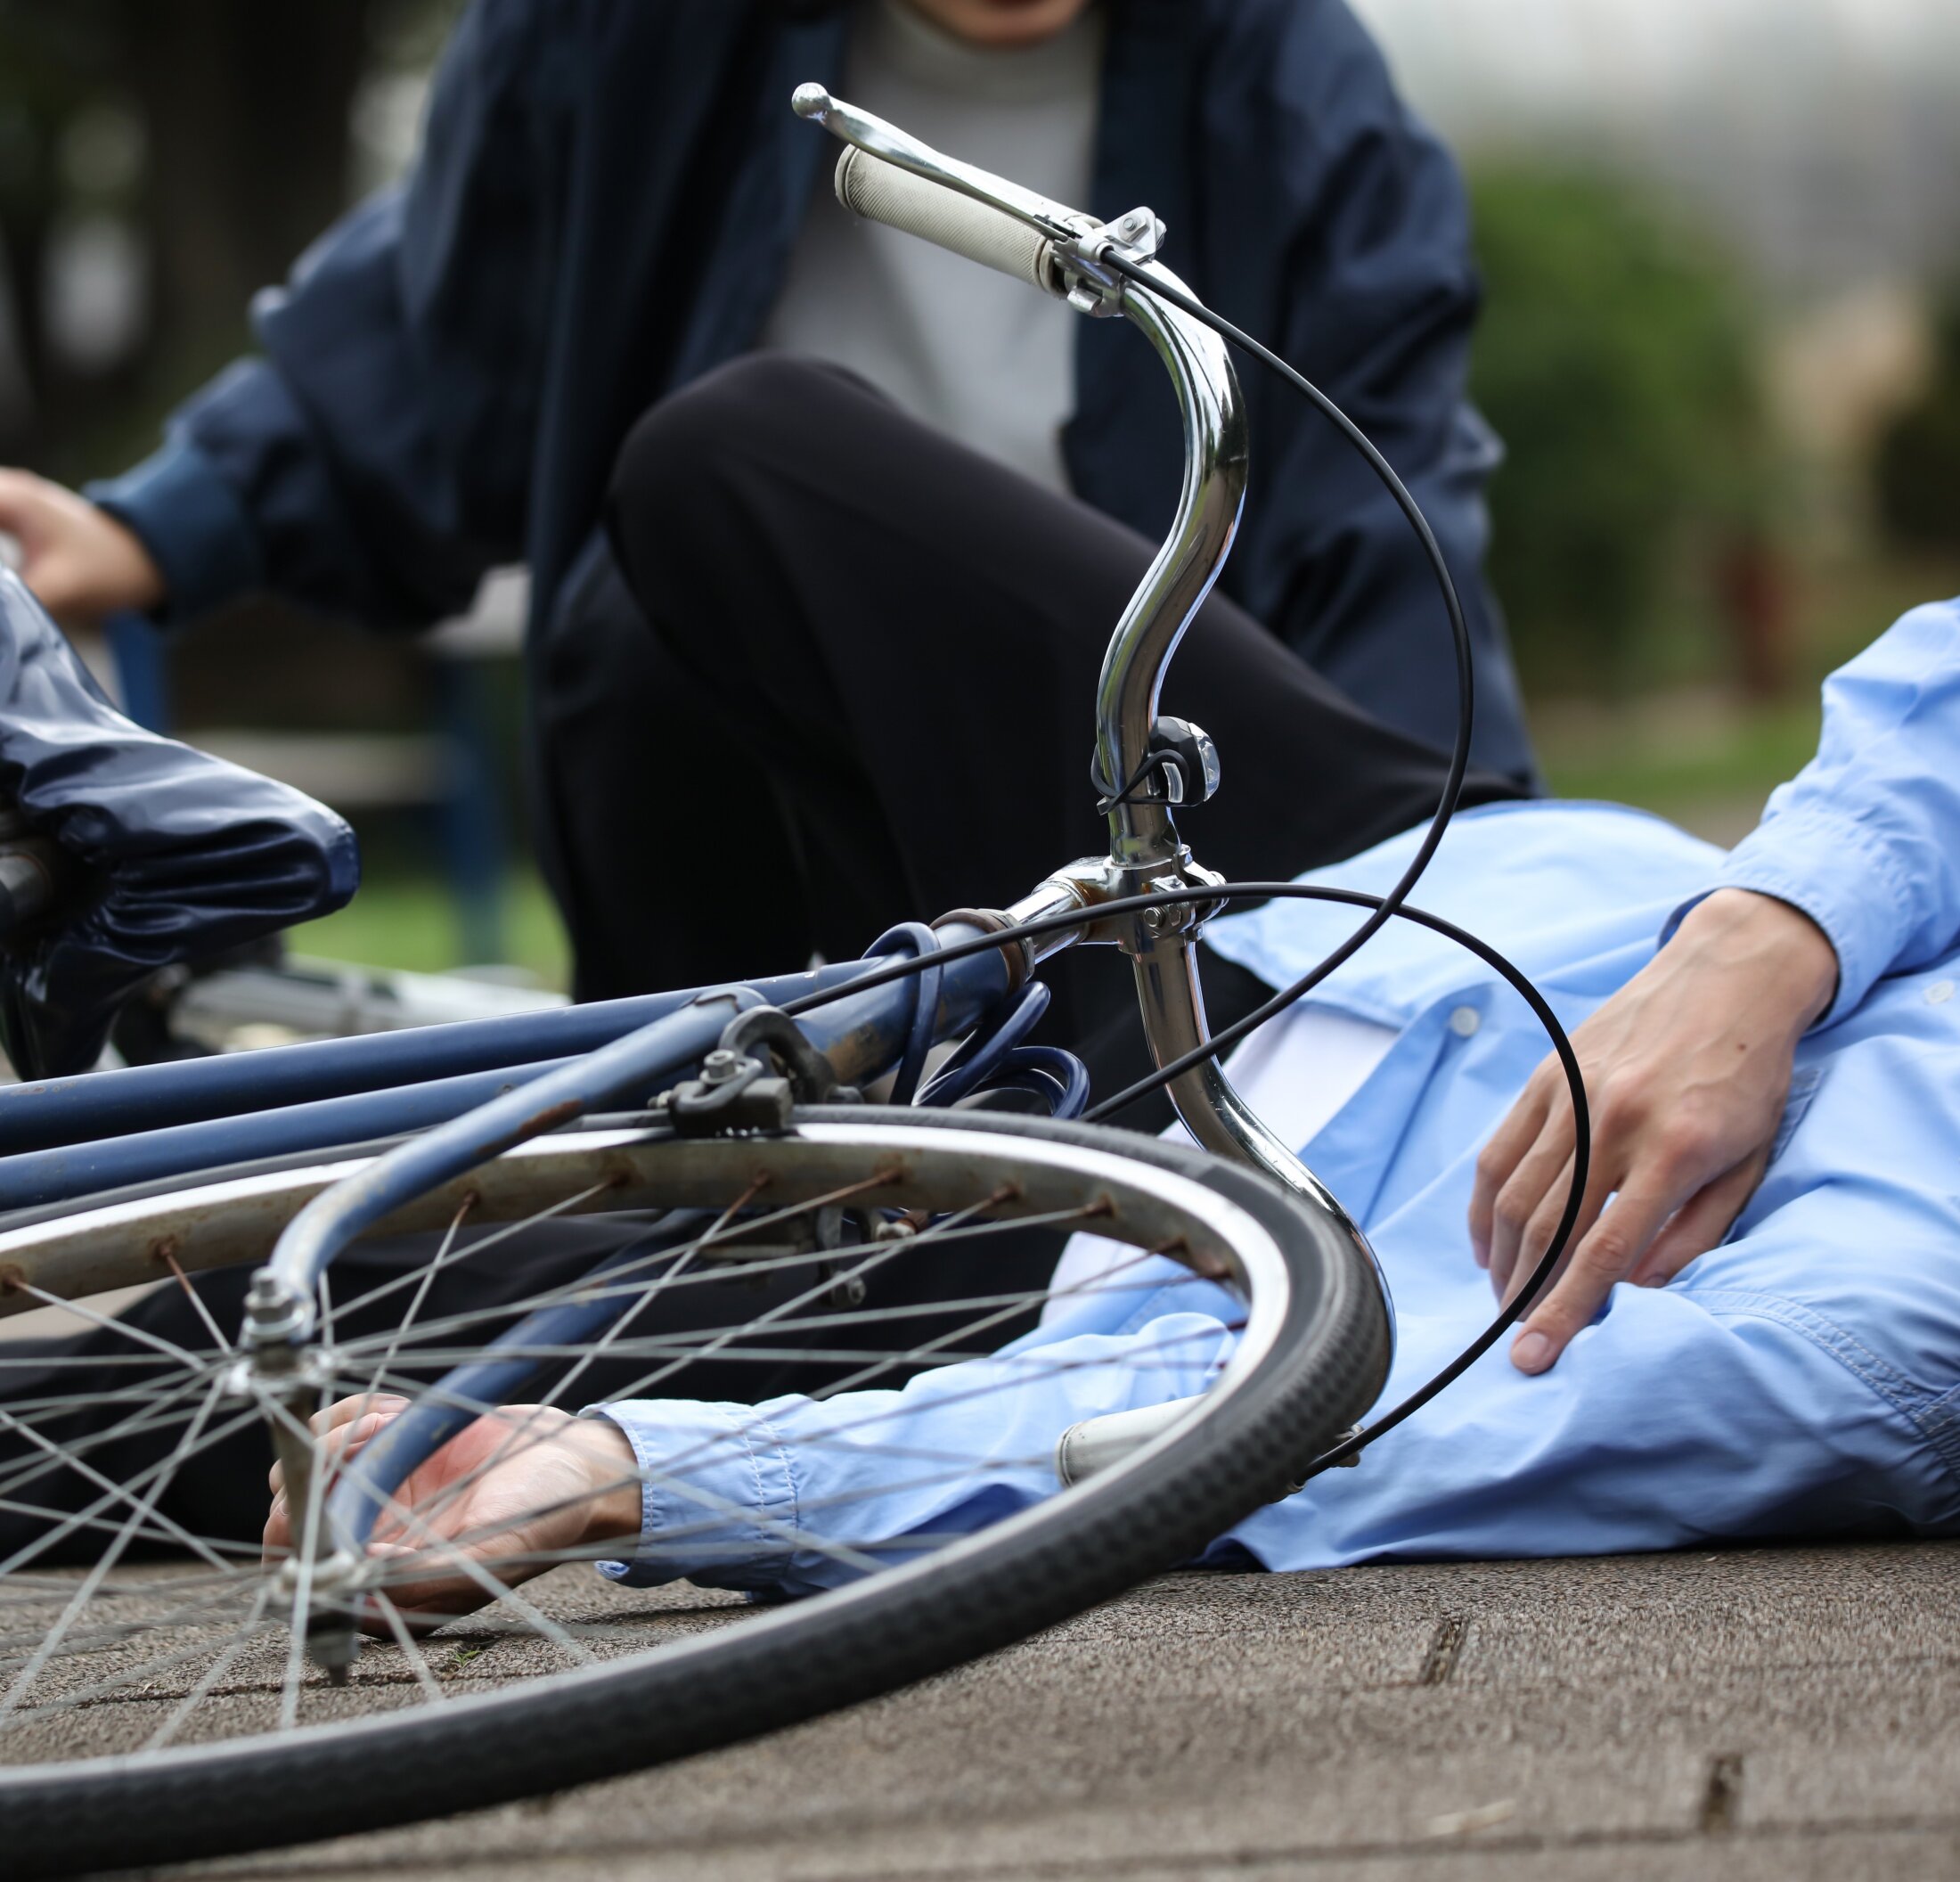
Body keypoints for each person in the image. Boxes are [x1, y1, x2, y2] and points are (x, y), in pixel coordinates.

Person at [276, 595, 1960, 1607]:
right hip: (1391, 898)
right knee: (739, 464)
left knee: (273, 1342)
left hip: (1121, 1247)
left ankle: (689, 1192)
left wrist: (658, 1472)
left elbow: (1320, 1425)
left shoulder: (1902, 1329)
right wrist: (1771, 933)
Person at [0, 0, 1535, 1011]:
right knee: (652, 562)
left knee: (728, 451)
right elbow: (449, 317)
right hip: (757, 775)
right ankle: (704, 1173)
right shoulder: (627, 39)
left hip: (1151, 789)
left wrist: (1480, 905)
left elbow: (1390, 499)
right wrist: (152, 530)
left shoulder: (1293, 83)